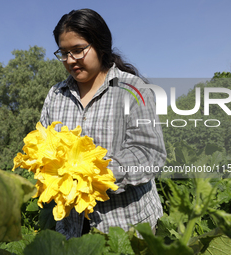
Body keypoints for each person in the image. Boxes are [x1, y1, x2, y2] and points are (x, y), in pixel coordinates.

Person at [40, 8, 166, 239]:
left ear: (100, 45)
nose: (70, 60)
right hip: (73, 229)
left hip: (127, 228)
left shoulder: (133, 89)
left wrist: (94, 173)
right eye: (64, 53)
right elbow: (43, 146)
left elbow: (150, 153)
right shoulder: (56, 95)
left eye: (78, 50)